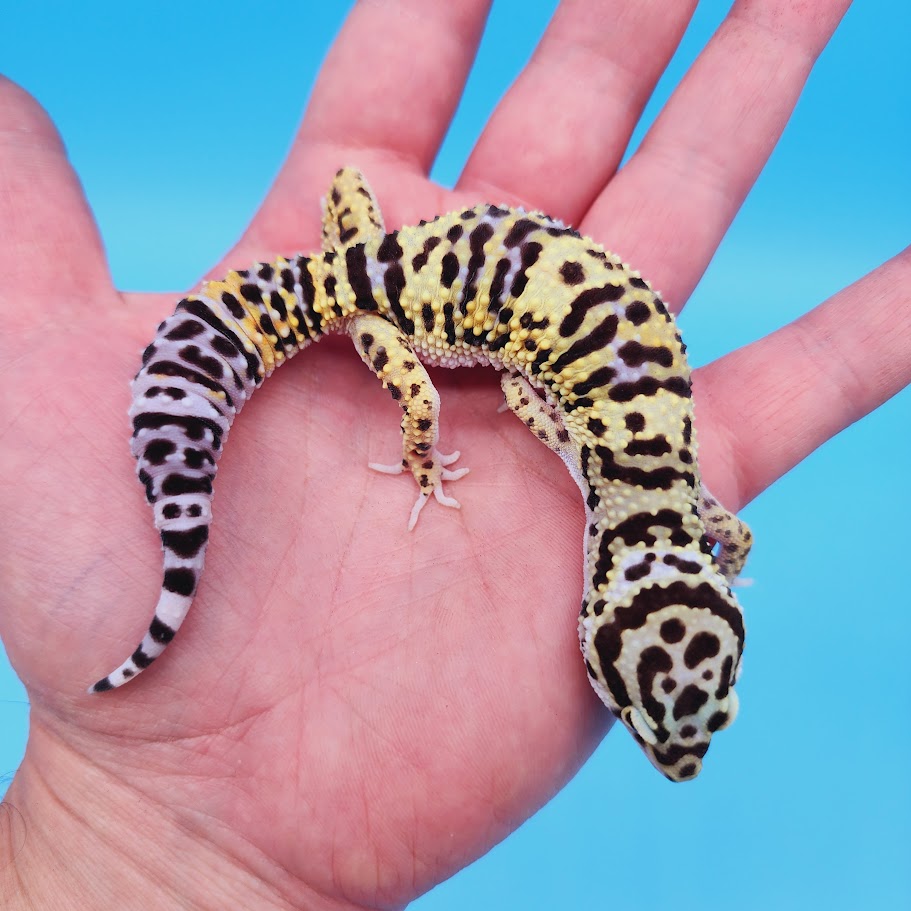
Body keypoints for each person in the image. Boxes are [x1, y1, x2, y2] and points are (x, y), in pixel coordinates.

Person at [0, 2, 907, 908]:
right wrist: (441, 446)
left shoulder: (690, 501)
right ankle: (378, 445)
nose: (668, 752)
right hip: (391, 313)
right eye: (638, 718)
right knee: (424, 396)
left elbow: (659, 489)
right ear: (595, 615)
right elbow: (519, 391)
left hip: (383, 253)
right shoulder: (642, 493)